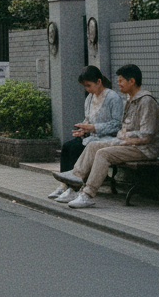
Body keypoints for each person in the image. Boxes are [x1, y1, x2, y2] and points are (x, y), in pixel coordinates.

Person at [52, 64, 159, 209]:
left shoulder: (146, 101)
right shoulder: (130, 100)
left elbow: (146, 135)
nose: (118, 83)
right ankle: (74, 180)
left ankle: (87, 194)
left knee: (103, 154)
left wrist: (124, 137)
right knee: (92, 146)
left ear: (132, 81)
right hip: (129, 143)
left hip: (142, 148)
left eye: (121, 80)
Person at [48, 66, 124, 200]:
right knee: (67, 146)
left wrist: (93, 128)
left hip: (106, 138)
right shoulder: (89, 98)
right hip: (91, 137)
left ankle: (74, 187)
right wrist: (82, 130)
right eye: (85, 86)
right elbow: (88, 120)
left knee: (77, 148)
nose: (87, 89)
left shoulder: (112, 98)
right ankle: (65, 185)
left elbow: (117, 124)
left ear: (99, 82)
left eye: (89, 85)